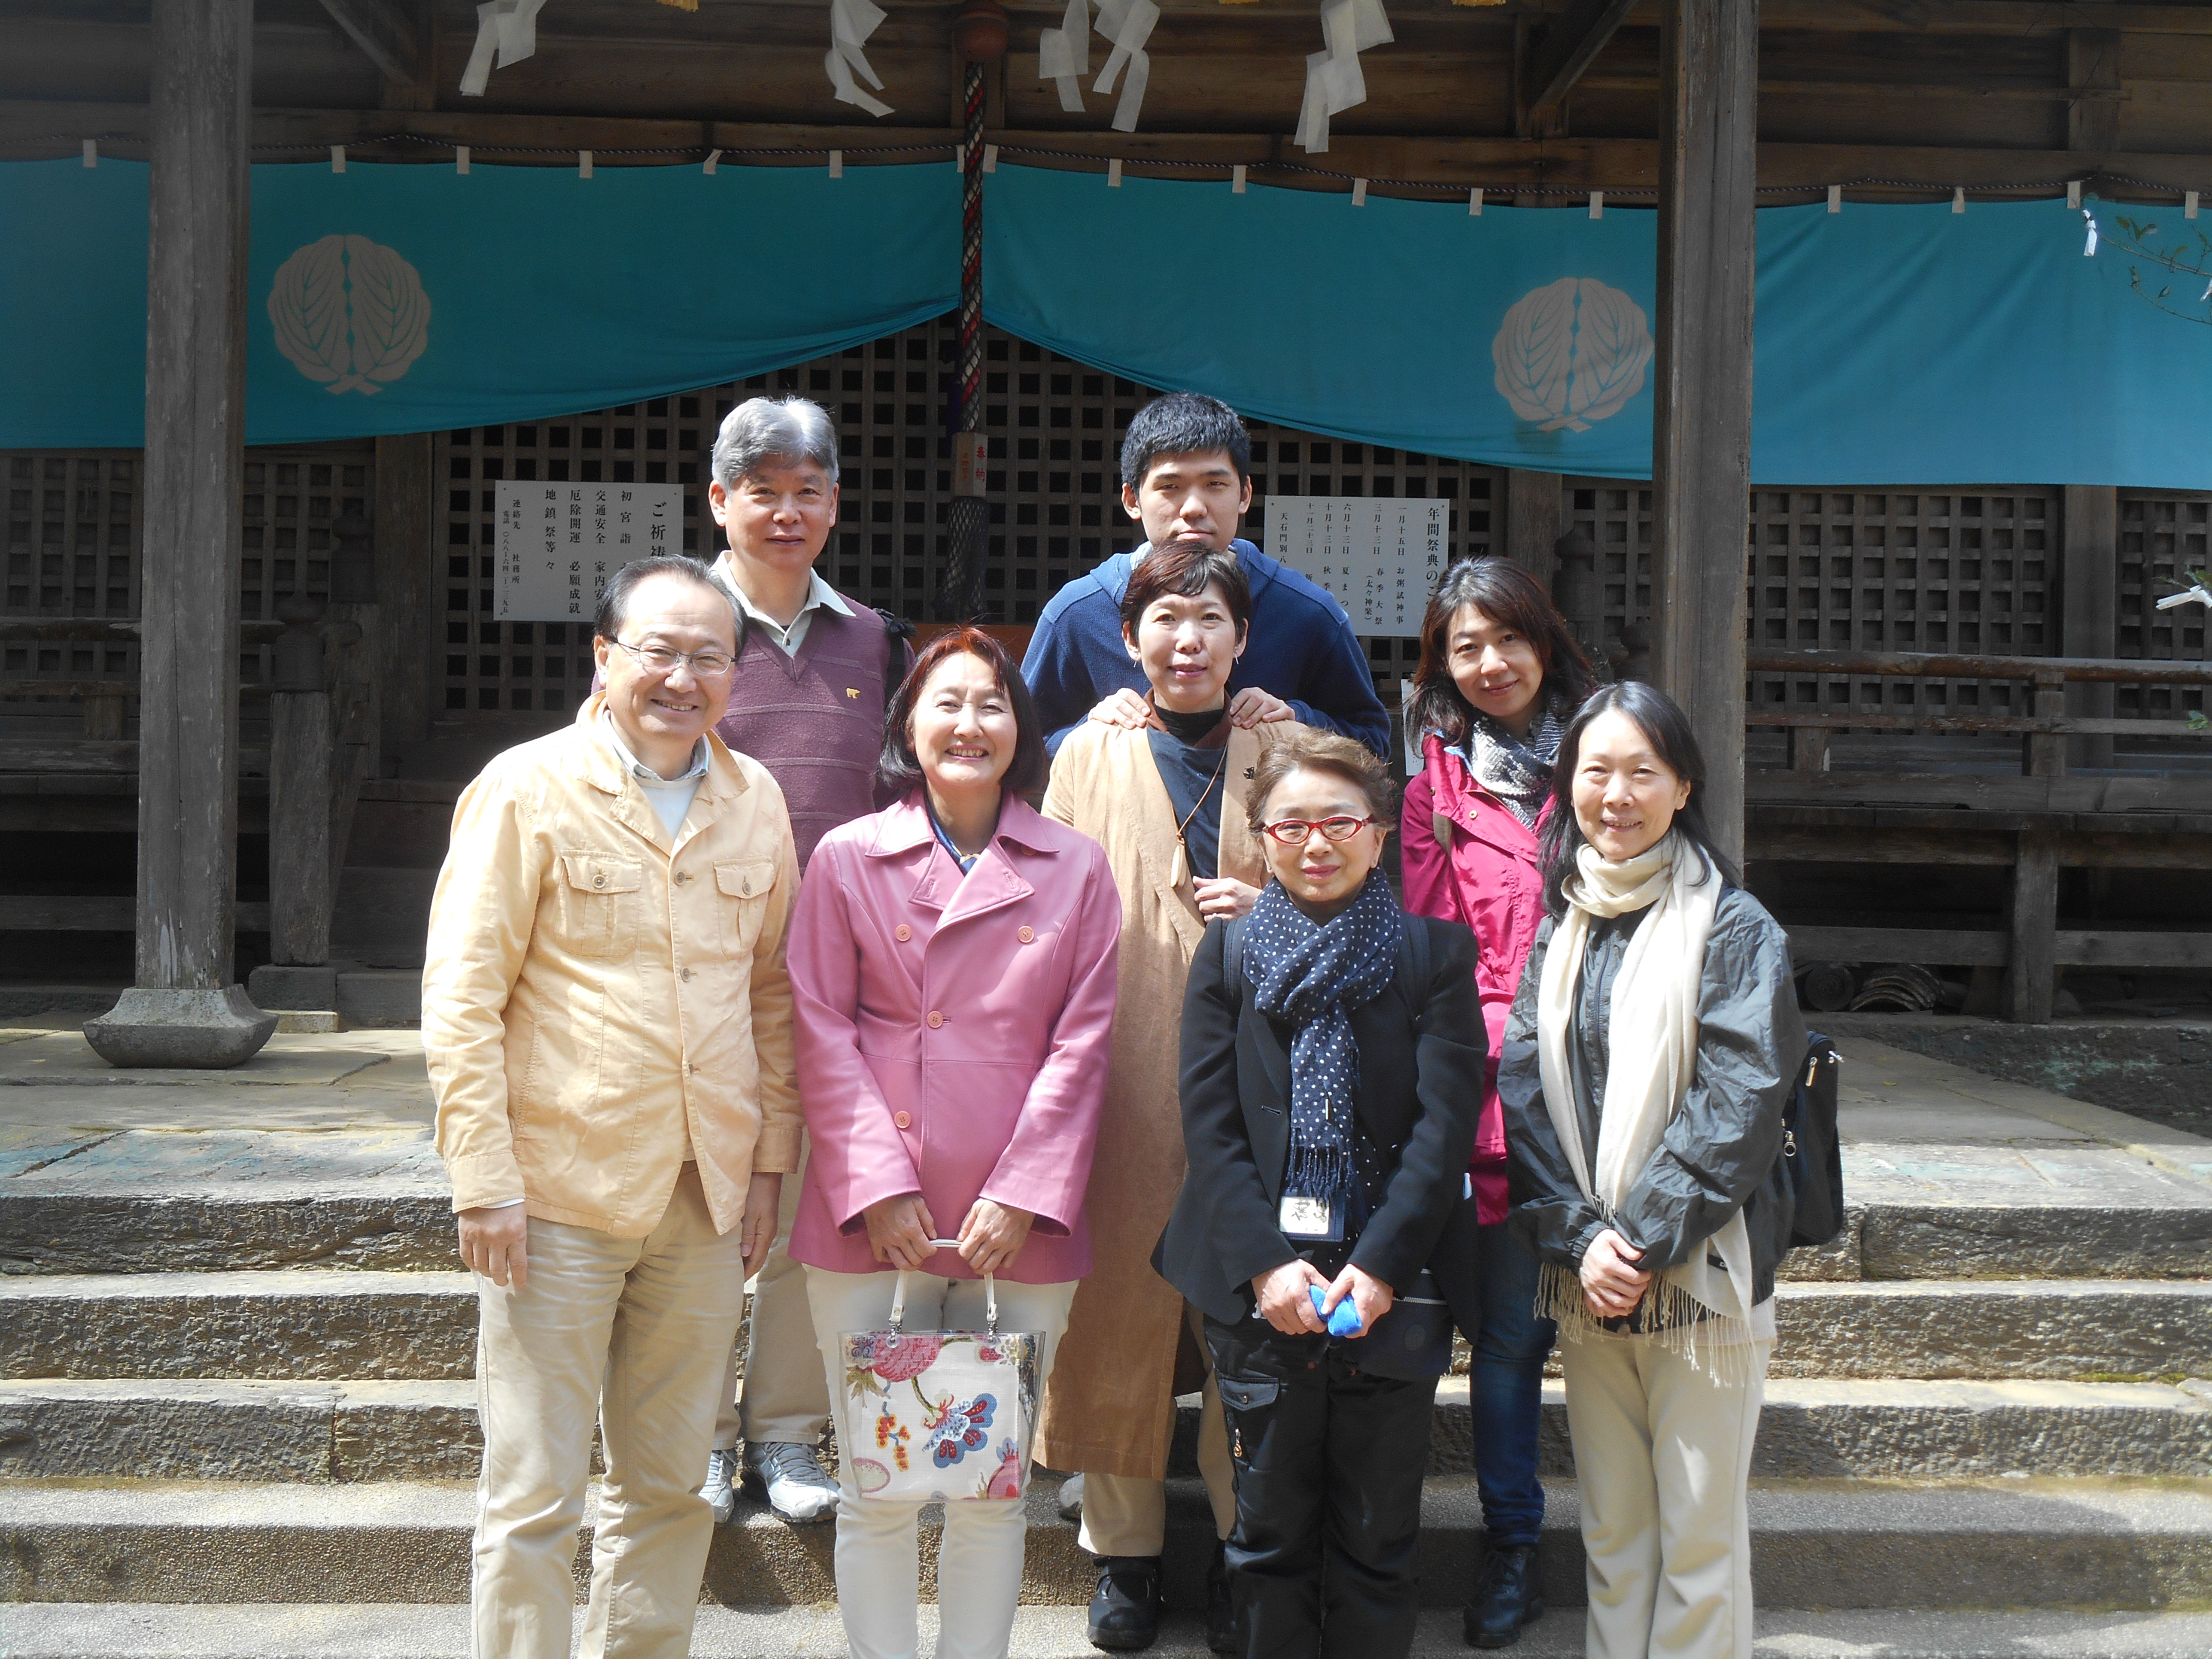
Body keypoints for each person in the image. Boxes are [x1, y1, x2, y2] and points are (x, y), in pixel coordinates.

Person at [422, 554, 798, 1658]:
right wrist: (483, 1182)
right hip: (555, 1191)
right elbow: (461, 998)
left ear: (738, 671)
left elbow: (770, 993)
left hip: (704, 1193)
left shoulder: (756, 799)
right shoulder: (526, 787)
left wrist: (767, 1166)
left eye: (710, 657)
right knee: (535, 1496)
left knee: (672, 1487)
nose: (684, 677)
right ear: (605, 658)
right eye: (660, 651)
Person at [787, 626, 1122, 1659]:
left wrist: (1023, 1191)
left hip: (1020, 1220)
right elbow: (819, 1023)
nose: (969, 723)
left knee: (991, 1490)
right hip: (870, 1216)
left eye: (992, 704)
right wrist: (876, 1185)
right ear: (907, 727)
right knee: (876, 1487)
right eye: (947, 702)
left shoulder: (1075, 866)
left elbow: (1086, 1040)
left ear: (1020, 729)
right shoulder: (847, 857)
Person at [1158, 727, 1486, 1659]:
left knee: (1379, 1536)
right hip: (1259, 1282)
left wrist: (1380, 1266)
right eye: (1289, 824)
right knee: (1264, 1536)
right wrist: (1265, 1266)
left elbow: (1441, 1130)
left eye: (1338, 821)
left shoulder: (1432, 957)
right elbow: (1210, 1128)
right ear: (1258, 836)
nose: (1314, 842)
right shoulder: (1223, 960)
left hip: (1393, 1279)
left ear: (1379, 831)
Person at [1498, 682, 1806, 1659]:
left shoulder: (1736, 926)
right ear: (1569, 786)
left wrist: (1633, 1238)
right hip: (1590, 1282)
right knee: (1615, 1536)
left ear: (1684, 787)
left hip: (1697, 1282)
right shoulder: (1565, 922)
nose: (1617, 793)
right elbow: (1520, 1083)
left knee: (1699, 1543)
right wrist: (1584, 1240)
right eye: (1597, 771)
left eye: (1643, 772)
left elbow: (1743, 1097)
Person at [1036, 538, 1305, 1652]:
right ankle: (1125, 1559)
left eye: (1209, 623)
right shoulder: (1082, 755)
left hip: (1265, 1086)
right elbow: (1034, 920)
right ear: (1130, 637)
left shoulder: (1293, 749)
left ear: (1244, 639)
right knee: (1114, 1319)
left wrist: (1278, 911)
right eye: (1163, 621)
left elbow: (1361, 907)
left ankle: (1252, 1554)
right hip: (1124, 1075)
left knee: (1251, 1324)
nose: (1185, 642)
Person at [693, 395, 912, 1529]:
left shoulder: (873, 640)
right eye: (762, 490)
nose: (788, 511)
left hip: (830, 982)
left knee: (807, 1214)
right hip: (693, 974)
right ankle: (692, 1436)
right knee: (694, 1207)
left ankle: (782, 1437)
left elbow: (899, 805)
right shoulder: (677, 631)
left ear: (835, 502)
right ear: (719, 501)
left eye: (808, 489)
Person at [1397, 557, 1597, 1648]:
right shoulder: (1433, 778)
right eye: (1463, 648)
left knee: (1519, 1339)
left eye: (1505, 640)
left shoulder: (1604, 756)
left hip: (1589, 1083)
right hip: (1471, 1091)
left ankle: (1515, 1544)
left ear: (1544, 639)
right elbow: (1432, 945)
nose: (1489, 665)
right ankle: (1483, 1543)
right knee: (1494, 1333)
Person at [1021, 392, 1390, 758]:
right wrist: (1087, 735)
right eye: (1171, 487)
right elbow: (1019, 749)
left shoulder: (1305, 612)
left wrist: (1298, 720)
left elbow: (1372, 743)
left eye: (1215, 485)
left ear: (1245, 494)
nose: (1194, 508)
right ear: (1133, 500)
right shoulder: (1078, 614)